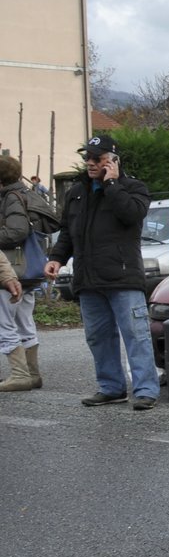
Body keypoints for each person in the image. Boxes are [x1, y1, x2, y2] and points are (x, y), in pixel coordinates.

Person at [43, 135, 160, 411]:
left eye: (97, 158)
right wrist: (56, 258)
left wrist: (111, 184)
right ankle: (111, 387)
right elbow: (68, 233)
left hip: (122, 276)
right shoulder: (76, 193)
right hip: (88, 278)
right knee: (98, 336)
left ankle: (145, 390)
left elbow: (131, 215)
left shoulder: (133, 188)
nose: (90, 162)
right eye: (88, 158)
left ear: (113, 160)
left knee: (135, 334)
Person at [0, 155, 45, 391]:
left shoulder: (10, 198)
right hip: (28, 271)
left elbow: (16, 232)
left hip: (12, 270)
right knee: (25, 322)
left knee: (4, 323)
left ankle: (19, 374)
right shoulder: (27, 193)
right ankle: (32, 374)